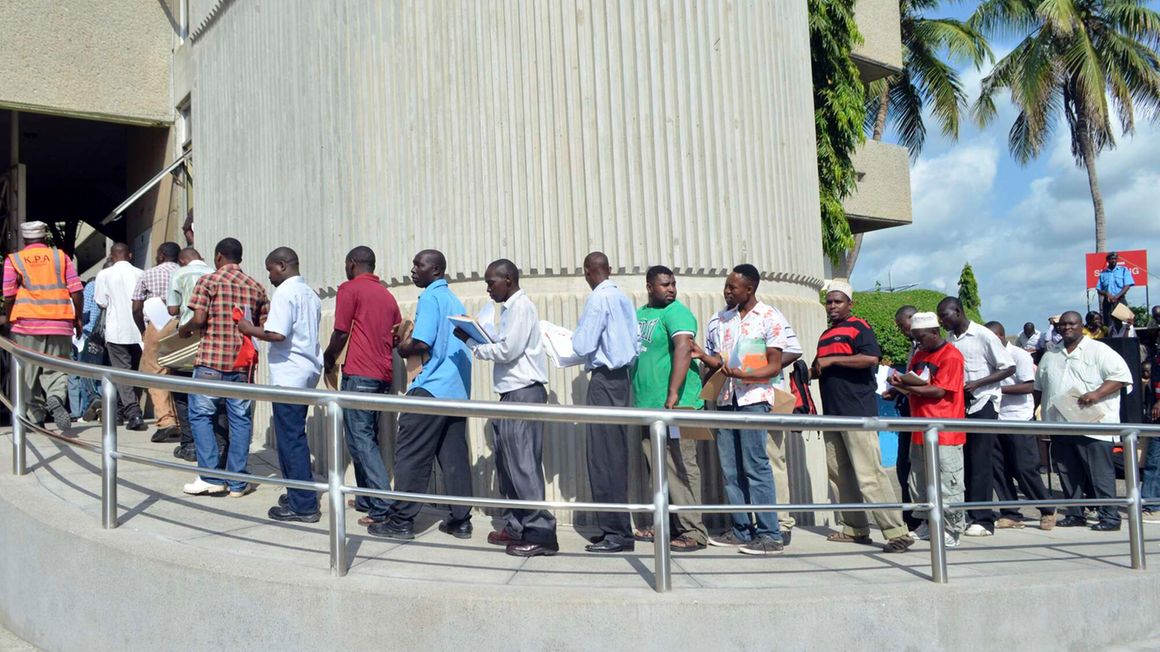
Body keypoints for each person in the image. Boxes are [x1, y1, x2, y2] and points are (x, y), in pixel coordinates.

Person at [368, 250, 475, 542]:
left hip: (431, 387)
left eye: (419, 265)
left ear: (436, 269)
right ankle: (461, 520)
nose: (413, 270)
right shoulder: (454, 299)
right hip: (456, 391)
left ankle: (401, 521)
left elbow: (421, 342)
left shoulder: (430, 296)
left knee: (411, 454)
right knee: (453, 458)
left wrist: (401, 346)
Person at [458, 259, 557, 557]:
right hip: (512, 393)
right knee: (509, 464)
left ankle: (542, 534)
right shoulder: (510, 309)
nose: (488, 288)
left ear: (509, 279)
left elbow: (508, 350)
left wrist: (475, 345)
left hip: (524, 392)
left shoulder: (521, 307)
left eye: (492, 282)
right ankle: (517, 526)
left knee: (523, 464)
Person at [693, 265, 786, 556]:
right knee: (731, 470)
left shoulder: (769, 317)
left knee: (755, 467)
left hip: (753, 399)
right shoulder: (719, 320)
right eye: (726, 286)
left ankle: (770, 535)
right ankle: (741, 529)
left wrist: (745, 372)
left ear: (750, 289)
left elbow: (775, 364)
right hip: (724, 398)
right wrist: (702, 356)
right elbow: (718, 361)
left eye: (733, 287)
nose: (727, 291)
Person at [812, 280, 911, 553]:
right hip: (833, 413)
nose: (832, 306)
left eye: (837, 301)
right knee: (840, 474)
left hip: (857, 411)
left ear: (849, 304)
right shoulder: (825, 335)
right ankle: (854, 528)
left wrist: (831, 361)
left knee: (870, 474)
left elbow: (871, 359)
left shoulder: (860, 327)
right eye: (829, 301)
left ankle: (896, 532)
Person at [179, 238, 269, 498]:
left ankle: (210, 476)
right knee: (240, 421)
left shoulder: (208, 281)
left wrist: (184, 330)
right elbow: (262, 325)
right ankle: (238, 482)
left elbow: (198, 318)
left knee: (200, 416)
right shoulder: (256, 287)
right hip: (242, 365)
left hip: (210, 361)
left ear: (219, 257)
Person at [237, 247, 323, 522]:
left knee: (291, 440)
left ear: (283, 266)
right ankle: (298, 493)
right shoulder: (309, 293)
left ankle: (304, 505)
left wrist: (249, 329)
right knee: (292, 436)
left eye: (270, 269)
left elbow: (277, 333)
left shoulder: (286, 292)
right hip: (305, 371)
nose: (269, 276)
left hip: (290, 374)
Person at [323, 246, 401, 527]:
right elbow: (395, 336)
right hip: (382, 375)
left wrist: (328, 357)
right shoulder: (388, 295)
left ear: (352, 263)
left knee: (361, 438)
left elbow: (341, 330)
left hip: (359, 374)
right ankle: (368, 497)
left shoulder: (349, 289)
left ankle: (381, 506)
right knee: (365, 437)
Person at [632, 265, 709, 552]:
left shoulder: (677, 312)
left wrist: (673, 392)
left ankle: (694, 531)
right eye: (665, 285)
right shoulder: (640, 314)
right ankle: (664, 524)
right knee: (658, 468)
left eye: (673, 284)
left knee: (682, 465)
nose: (671, 289)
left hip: (679, 405)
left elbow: (683, 348)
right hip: (648, 406)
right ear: (650, 286)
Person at [1035, 311, 1132, 531]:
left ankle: (1110, 517)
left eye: (1072, 324)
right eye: (1062, 325)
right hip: (1060, 424)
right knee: (1068, 472)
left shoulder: (1099, 350)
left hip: (1093, 425)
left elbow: (1121, 377)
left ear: (1081, 326)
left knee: (1099, 473)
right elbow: (1039, 388)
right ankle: (1075, 513)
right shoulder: (1051, 355)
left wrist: (1097, 393)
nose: (1066, 328)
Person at [571, 252, 640, 554]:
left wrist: (566, 340)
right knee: (616, 454)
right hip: (622, 380)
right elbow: (635, 342)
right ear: (608, 270)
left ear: (587, 272)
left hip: (603, 380)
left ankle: (616, 532)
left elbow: (583, 344)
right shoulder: (623, 298)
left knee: (603, 457)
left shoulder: (598, 299)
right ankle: (618, 528)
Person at [886, 312, 966, 548]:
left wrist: (909, 387)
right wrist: (899, 385)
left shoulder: (951, 355)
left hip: (945, 429)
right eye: (915, 337)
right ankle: (927, 524)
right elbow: (914, 384)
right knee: (920, 480)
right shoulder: (919, 354)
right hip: (920, 426)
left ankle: (952, 528)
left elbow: (940, 391)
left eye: (921, 337)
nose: (918, 342)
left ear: (934, 332)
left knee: (947, 481)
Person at [937, 296, 1014, 537]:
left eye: (945, 315)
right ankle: (968, 513)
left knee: (981, 461)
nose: (942, 321)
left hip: (983, 404)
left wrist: (979, 383)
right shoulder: (949, 340)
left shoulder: (983, 335)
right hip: (959, 406)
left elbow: (1008, 366)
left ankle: (984, 519)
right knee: (965, 460)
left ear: (958, 312)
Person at [1, 221, 84, 432]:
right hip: (60, 321)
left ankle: (35, 418)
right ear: (45, 237)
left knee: (28, 372)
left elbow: (9, 294)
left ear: (24, 239)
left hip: (26, 323)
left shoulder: (15, 260)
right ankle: (55, 396)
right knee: (57, 367)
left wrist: (10, 317)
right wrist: (78, 319)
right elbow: (76, 290)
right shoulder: (61, 257)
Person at [986, 321, 1056, 531]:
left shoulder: (1019, 355)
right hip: (995, 419)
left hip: (1018, 418)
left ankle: (1047, 508)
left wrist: (997, 391)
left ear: (1001, 336)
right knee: (999, 468)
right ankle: (1011, 513)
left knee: (1024, 468)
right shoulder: (987, 358)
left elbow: (1029, 386)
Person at [166, 248, 215, 461]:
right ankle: (211, 442)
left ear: (182, 260)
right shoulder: (214, 272)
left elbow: (172, 310)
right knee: (209, 394)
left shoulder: (179, 274)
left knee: (182, 392)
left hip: (188, 336)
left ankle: (189, 444)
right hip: (213, 340)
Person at [132, 242, 181, 443]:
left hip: (157, 324)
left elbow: (136, 306)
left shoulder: (148, 274)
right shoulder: (183, 272)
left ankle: (166, 420)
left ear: (161, 255)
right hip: (183, 323)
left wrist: (144, 331)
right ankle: (181, 420)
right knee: (178, 371)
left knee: (155, 371)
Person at [94, 243, 146, 431]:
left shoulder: (104, 275)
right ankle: (120, 411)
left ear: (111, 256)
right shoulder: (141, 273)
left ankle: (133, 412)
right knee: (133, 371)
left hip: (116, 330)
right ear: (130, 255)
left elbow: (101, 302)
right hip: (139, 330)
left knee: (121, 371)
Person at [890, 304, 923, 531]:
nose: (903, 331)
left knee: (917, 467)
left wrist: (904, 384)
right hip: (907, 410)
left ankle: (919, 519)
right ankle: (910, 518)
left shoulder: (930, 348)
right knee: (904, 467)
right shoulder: (913, 347)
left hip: (921, 414)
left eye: (904, 325)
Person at [1096, 252, 1134, 327]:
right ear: (1107, 260)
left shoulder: (1123, 270)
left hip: (1120, 300)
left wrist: (1115, 297)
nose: (1113, 260)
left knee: (1126, 323)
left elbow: (1127, 286)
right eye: (1111, 259)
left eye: (1115, 259)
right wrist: (1107, 294)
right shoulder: (1103, 273)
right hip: (1107, 302)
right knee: (1108, 324)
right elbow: (1098, 289)